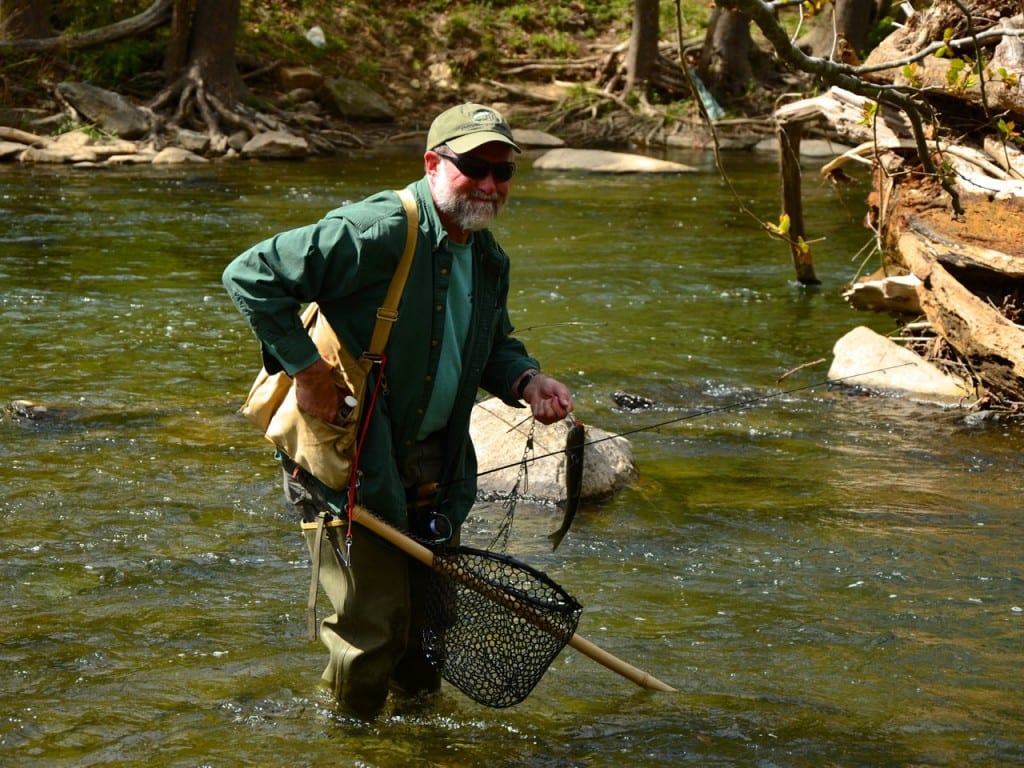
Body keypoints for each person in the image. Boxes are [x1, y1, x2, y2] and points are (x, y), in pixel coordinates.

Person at [222, 102, 574, 716]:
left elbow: (491, 344)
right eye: (475, 167)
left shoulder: (489, 257)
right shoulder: (377, 230)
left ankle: (418, 744)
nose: (491, 185)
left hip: (436, 468)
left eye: (503, 171)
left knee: (427, 634)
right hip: (353, 459)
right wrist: (307, 372)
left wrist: (527, 379)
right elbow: (251, 275)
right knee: (372, 631)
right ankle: (349, 744)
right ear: (434, 163)